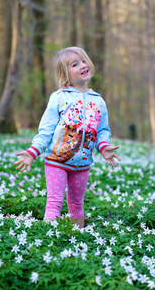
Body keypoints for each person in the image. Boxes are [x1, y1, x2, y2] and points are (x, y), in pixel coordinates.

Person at [14, 46, 121, 228]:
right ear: (65, 74)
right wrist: (33, 152)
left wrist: (103, 147)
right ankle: (50, 240)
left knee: (77, 206)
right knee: (55, 202)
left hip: (83, 165)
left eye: (84, 61)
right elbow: (46, 130)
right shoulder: (59, 98)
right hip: (57, 161)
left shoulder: (99, 101)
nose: (82, 66)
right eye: (75, 64)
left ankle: (75, 242)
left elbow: (102, 130)